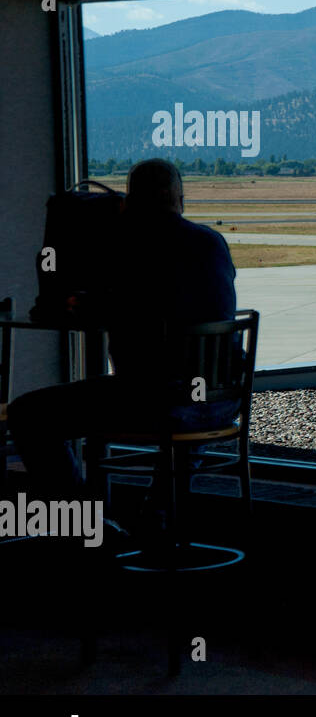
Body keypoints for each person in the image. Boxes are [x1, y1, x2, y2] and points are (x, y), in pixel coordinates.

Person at [7, 159, 241, 513]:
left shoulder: (129, 250)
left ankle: (87, 520)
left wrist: (80, 300)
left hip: (159, 401)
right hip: (220, 399)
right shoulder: (213, 242)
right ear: (180, 198)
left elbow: (100, 308)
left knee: (28, 414)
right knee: (174, 390)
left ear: (132, 202)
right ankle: (160, 513)